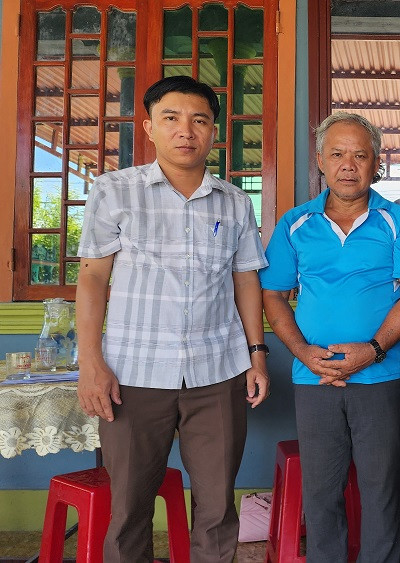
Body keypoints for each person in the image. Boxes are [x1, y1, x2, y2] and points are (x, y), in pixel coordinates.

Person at [75, 75, 270, 562]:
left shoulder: (235, 201)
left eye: (199, 120)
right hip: (133, 373)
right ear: (149, 128)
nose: (186, 130)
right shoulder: (115, 191)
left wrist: (257, 354)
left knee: (217, 509)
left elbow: (246, 279)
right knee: (128, 509)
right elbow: (93, 277)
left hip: (217, 371)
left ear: (213, 132)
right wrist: (90, 362)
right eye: (171, 118)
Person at [260, 111, 400, 562]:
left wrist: (372, 350)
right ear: (320, 160)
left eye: (360, 155)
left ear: (377, 163)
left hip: (382, 376)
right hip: (313, 376)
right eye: (337, 154)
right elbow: (273, 294)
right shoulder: (295, 223)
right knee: (321, 492)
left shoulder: (399, 221)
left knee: (380, 489)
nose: (348, 165)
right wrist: (302, 352)